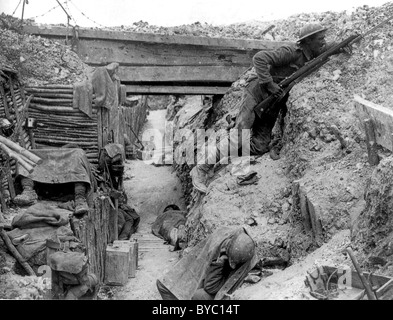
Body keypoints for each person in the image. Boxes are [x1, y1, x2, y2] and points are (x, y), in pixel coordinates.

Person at [191, 23, 347, 193]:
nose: (323, 41)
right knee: (239, 136)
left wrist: (343, 43)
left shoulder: (313, 54)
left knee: (260, 147)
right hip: (256, 94)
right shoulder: (291, 53)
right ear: (308, 41)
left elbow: (328, 48)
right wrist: (269, 83)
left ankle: (222, 150)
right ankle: (201, 169)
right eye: (320, 39)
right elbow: (259, 58)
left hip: (272, 105)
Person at [156, 227, 256, 300]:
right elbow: (199, 265)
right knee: (164, 285)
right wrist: (220, 262)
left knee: (198, 296)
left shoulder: (245, 255)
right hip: (212, 270)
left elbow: (211, 288)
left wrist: (220, 262)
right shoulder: (219, 242)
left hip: (218, 287)